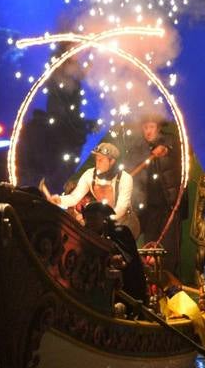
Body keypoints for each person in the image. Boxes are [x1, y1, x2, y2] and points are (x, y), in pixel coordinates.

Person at [124, 112, 183, 274]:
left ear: (158, 128)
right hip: (149, 208)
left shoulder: (170, 141)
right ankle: (151, 286)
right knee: (148, 248)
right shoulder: (140, 148)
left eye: (151, 127)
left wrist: (166, 148)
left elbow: (175, 145)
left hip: (170, 206)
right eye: (145, 128)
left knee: (168, 250)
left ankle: (169, 284)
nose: (148, 131)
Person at [48, 142, 139, 239]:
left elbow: (122, 207)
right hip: (105, 224)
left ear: (112, 161)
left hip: (126, 224)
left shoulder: (125, 178)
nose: (97, 163)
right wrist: (59, 200)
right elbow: (74, 197)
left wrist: (103, 221)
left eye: (101, 160)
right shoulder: (89, 175)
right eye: (96, 159)